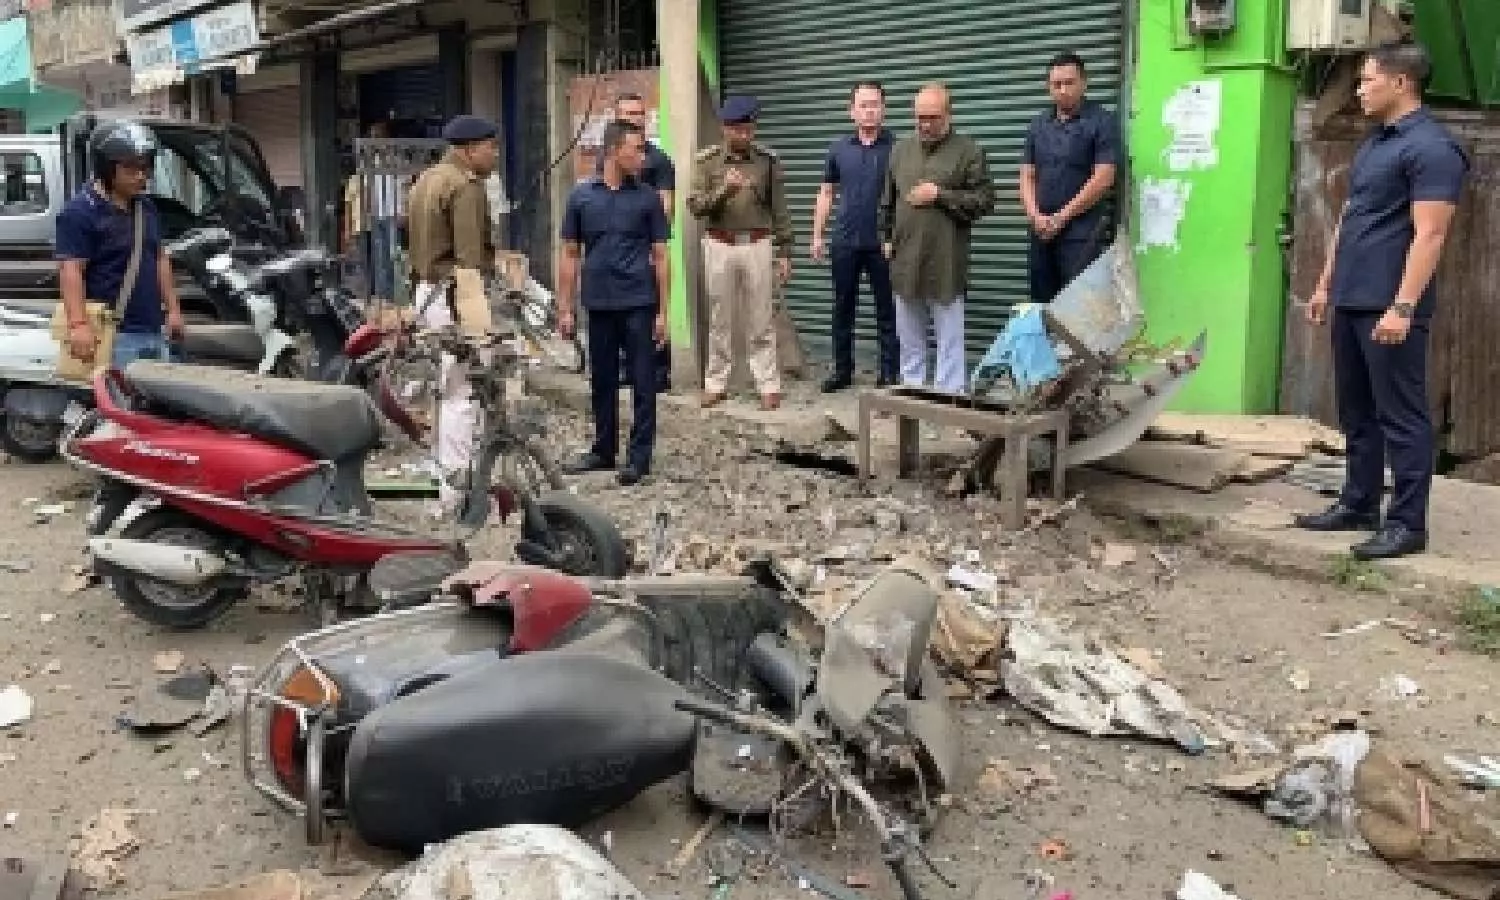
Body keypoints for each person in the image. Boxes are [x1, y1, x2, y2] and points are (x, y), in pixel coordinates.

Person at [1295, 41, 1469, 560]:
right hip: (1351, 296)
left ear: (1401, 82)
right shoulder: (1375, 144)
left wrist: (1404, 306)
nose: (1359, 90)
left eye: (1368, 80)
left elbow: (1431, 234)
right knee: (1357, 412)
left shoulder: (1433, 148)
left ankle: (1408, 525)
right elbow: (1351, 217)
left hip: (1390, 303)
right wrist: (1326, 283)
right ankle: (1358, 503)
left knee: (1402, 416)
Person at [558, 120, 671, 487]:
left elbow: (661, 256)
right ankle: (603, 449)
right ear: (613, 150)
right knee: (602, 380)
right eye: (636, 149)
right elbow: (570, 254)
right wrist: (565, 307)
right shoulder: (581, 197)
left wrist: (663, 312)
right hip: (599, 303)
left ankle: (639, 457)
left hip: (638, 301)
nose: (643, 157)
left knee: (643, 383)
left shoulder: (648, 199)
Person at [405, 114, 500, 516]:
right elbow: (468, 262)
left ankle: (447, 479)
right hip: (456, 294)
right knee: (465, 392)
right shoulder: (465, 186)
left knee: (446, 389)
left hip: (429, 293)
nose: (495, 154)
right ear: (469, 149)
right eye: (490, 147)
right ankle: (458, 492)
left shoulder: (427, 179)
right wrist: (477, 317)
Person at [877, 83, 994, 395]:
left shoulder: (969, 151)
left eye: (933, 118)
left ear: (948, 115)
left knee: (949, 338)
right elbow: (887, 201)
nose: (925, 125)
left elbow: (985, 201)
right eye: (920, 118)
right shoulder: (900, 151)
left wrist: (939, 195)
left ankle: (948, 397)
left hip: (946, 260)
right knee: (909, 337)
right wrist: (885, 237)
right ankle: (911, 393)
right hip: (905, 258)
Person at [687, 95, 793, 411]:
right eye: (737, 130)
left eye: (749, 129)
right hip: (720, 244)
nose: (744, 135)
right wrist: (725, 191)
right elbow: (696, 206)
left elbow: (780, 208)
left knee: (761, 318)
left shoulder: (766, 161)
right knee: (720, 318)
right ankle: (716, 383)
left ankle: (768, 384)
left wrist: (785, 250)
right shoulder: (707, 162)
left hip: (757, 244)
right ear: (724, 129)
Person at [56, 120, 185, 369]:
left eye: (145, 167)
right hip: (114, 335)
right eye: (130, 168)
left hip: (154, 329)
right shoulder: (80, 212)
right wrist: (78, 325)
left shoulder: (146, 207)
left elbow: (159, 258)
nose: (141, 176)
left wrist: (173, 310)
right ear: (105, 167)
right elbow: (71, 270)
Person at [812, 80, 898, 392]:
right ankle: (842, 371)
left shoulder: (897, 148)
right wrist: (817, 235)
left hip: (883, 243)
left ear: (883, 109)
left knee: (887, 309)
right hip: (845, 241)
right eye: (863, 105)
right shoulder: (839, 148)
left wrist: (896, 237)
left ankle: (888, 372)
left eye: (874, 104)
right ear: (852, 111)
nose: (869, 110)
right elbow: (826, 193)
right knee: (842, 308)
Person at [1020, 51, 1119, 302]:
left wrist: (1062, 217)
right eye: (1057, 84)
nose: (1063, 90)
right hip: (1042, 232)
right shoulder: (1038, 125)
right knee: (1042, 305)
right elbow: (1027, 175)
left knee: (1079, 306)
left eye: (1069, 83)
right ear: (1048, 87)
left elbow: (1104, 177)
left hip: (1081, 236)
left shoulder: (1102, 121)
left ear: (1084, 83)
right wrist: (1034, 216)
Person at [598, 91, 675, 394]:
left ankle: (658, 372)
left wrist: (651, 240)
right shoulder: (607, 159)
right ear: (616, 118)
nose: (635, 118)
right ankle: (624, 368)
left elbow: (665, 205)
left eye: (640, 113)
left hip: (645, 247)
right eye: (629, 114)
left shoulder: (658, 159)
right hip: (615, 250)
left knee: (652, 308)